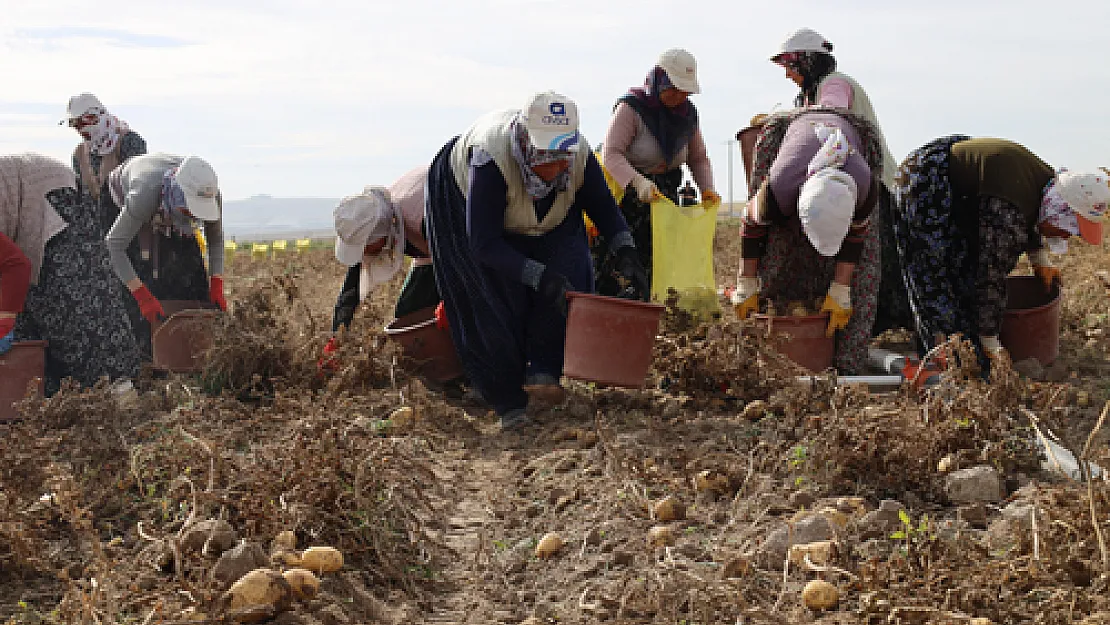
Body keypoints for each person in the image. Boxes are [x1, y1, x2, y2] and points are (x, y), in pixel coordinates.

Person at [424, 91, 648, 430]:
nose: (558, 163)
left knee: (569, 272)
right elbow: (485, 245)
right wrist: (537, 275)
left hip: (551, 217)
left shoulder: (578, 157)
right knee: (490, 299)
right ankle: (506, 400)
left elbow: (602, 205)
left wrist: (626, 250)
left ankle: (543, 371)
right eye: (547, 155)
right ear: (527, 143)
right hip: (469, 209)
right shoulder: (490, 161)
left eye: (563, 155)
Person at [891, 136, 1108, 365]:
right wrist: (991, 343)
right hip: (926, 180)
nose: (1067, 236)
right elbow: (990, 277)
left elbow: (1033, 207)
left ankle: (964, 344)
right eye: (1070, 227)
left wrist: (1039, 258)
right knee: (936, 278)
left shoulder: (1054, 186)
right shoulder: (1008, 214)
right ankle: (941, 360)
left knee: (965, 275)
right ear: (1060, 211)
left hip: (965, 186)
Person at [770, 28, 909, 333]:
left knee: (876, 262)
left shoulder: (835, 84)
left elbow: (831, 115)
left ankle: (885, 327)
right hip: (839, 180)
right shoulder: (811, 91)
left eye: (791, 67)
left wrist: (779, 120)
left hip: (865, 182)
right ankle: (873, 327)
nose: (788, 76)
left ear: (808, 62)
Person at [732, 108, 885, 374]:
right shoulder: (779, 188)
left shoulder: (864, 188)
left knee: (864, 273)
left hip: (848, 127)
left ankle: (846, 366)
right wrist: (746, 282)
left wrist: (840, 289)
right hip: (796, 132)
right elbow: (751, 223)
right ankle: (767, 358)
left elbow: (857, 238)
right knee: (778, 253)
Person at [0, 154, 141, 395]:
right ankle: (47, 391)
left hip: (53, 195)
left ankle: (112, 386)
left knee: (74, 301)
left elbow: (16, 266)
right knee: (30, 311)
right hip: (21, 203)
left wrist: (4, 320)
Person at [598, 48, 719, 295]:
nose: (679, 95)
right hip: (626, 195)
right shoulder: (631, 108)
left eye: (684, 91)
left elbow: (698, 158)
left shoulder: (687, 115)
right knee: (622, 260)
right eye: (673, 88)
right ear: (659, 80)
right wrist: (639, 184)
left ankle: (649, 315)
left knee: (658, 260)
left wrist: (707, 188)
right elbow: (611, 155)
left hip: (663, 198)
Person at [105, 154, 226, 359]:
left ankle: (190, 355)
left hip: (165, 203)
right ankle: (143, 358)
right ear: (178, 196)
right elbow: (114, 245)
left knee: (191, 274)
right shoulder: (143, 195)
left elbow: (215, 239)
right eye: (189, 210)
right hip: (123, 197)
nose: (195, 216)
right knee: (137, 275)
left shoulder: (210, 194)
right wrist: (142, 295)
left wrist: (216, 283)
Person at [60, 93, 148, 238]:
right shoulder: (79, 153)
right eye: (74, 124)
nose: (78, 129)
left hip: (128, 232)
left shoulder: (129, 142)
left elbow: (138, 191)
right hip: (95, 235)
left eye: (82, 123)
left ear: (96, 117)